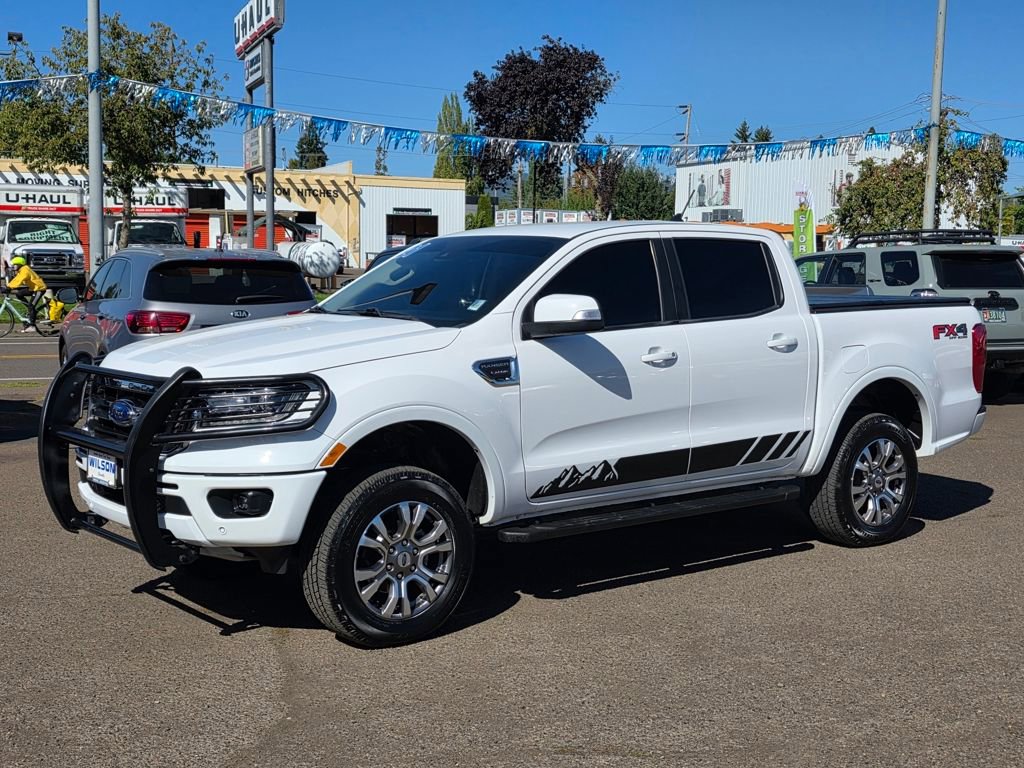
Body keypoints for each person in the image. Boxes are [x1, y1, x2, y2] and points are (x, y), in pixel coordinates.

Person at [2, 255, 48, 332]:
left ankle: (32, 326)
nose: (13, 266)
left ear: (20, 265)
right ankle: (30, 311)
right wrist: (8, 286)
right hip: (33, 288)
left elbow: (19, 280)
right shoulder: (21, 270)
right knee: (19, 294)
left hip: (39, 289)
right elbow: (16, 279)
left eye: (15, 265)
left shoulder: (25, 270)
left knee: (31, 305)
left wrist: (9, 287)